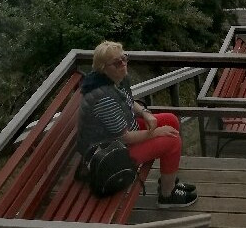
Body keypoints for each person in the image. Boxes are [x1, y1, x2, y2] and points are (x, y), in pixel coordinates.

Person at [77, 41, 197, 207]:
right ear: (103, 68)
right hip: (108, 155)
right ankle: (167, 196)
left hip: (118, 138)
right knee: (172, 140)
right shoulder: (103, 98)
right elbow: (124, 137)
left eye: (124, 58)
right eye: (117, 63)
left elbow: (129, 101)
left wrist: (144, 113)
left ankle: (169, 181)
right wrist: (156, 133)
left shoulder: (115, 79)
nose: (123, 64)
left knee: (171, 119)